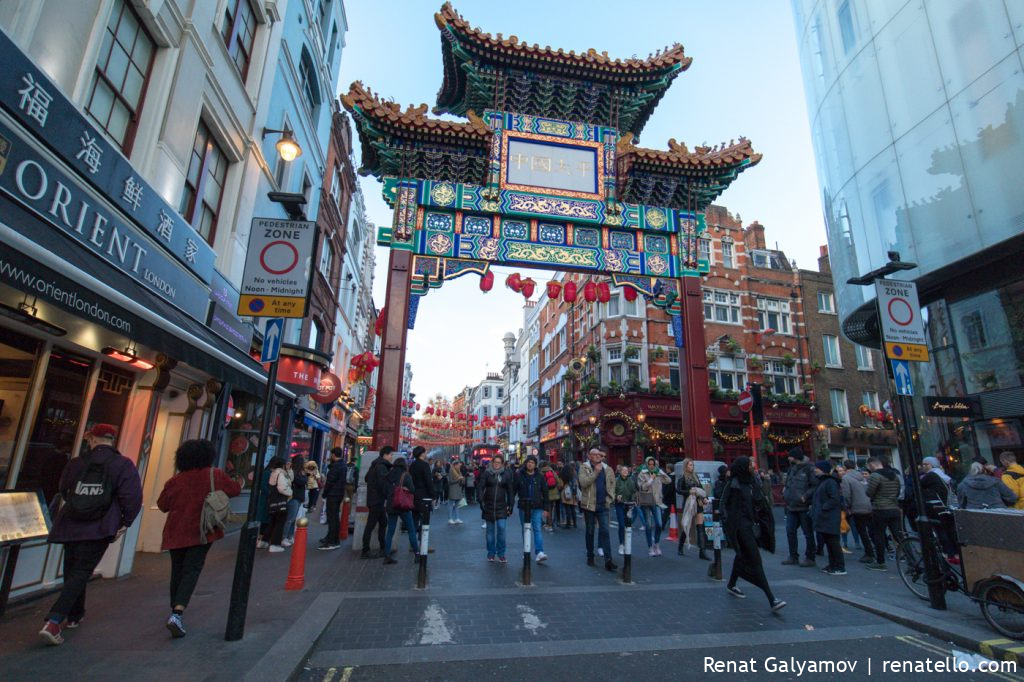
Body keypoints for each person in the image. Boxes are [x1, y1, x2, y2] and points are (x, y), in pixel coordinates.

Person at [38, 424, 143, 646]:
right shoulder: (122, 465)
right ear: (111, 441)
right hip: (100, 527)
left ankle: (75, 615)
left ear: (92, 439)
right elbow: (132, 497)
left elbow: (64, 488)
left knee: (73, 569)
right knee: (81, 571)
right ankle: (55, 620)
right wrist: (125, 522)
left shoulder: (76, 463)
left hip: (71, 524)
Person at [156, 439, 241, 638]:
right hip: (201, 530)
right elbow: (235, 489)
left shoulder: (175, 480)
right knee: (192, 569)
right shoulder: (214, 475)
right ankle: (177, 612)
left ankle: (175, 609)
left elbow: (162, 505)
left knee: (178, 570)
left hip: (175, 531)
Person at [719, 456, 786, 612]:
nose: (752, 466)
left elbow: (759, 501)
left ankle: (731, 584)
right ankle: (771, 598)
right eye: (750, 464)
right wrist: (727, 520)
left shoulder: (752, 482)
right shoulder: (733, 484)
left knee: (741, 555)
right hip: (740, 527)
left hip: (751, 525)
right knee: (755, 561)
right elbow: (723, 503)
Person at [578, 448, 617, 571]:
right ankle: (590, 555)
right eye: (594, 454)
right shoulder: (584, 468)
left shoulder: (607, 468)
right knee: (590, 531)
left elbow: (612, 483)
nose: (597, 456)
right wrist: (595, 472)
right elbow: (583, 483)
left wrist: (611, 497)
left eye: (599, 454)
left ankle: (608, 559)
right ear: (589, 456)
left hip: (603, 505)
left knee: (605, 531)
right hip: (589, 505)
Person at [865, 455, 903, 571]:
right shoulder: (894, 475)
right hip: (894, 508)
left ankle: (880, 562)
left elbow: (869, 493)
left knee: (879, 535)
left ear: (872, 464)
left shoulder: (875, 476)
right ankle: (911, 560)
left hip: (880, 509)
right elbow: (898, 492)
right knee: (899, 535)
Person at [781, 447, 817, 567]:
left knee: (808, 533)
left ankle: (810, 557)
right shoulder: (792, 469)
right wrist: (785, 491)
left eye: (790, 456)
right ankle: (793, 556)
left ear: (795, 457)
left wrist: (805, 496)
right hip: (791, 505)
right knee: (790, 531)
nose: (788, 458)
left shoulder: (809, 469)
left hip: (804, 506)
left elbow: (814, 485)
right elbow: (788, 483)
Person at [919, 456, 958, 559]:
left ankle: (947, 551)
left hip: (935, 506)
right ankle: (954, 552)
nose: (923, 466)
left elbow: (918, 485)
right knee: (949, 529)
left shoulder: (930, 475)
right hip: (946, 505)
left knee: (940, 529)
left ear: (932, 465)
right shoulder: (942, 474)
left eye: (926, 464)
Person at [810, 461, 845, 575]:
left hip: (830, 517)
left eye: (817, 468)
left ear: (822, 469)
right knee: (829, 543)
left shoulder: (830, 482)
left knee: (833, 542)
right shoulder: (823, 481)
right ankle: (832, 564)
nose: (815, 470)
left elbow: (834, 499)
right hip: (825, 517)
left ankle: (839, 566)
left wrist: (823, 508)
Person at [477, 454, 514, 562]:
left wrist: (510, 505)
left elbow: (510, 491)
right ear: (492, 463)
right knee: (490, 532)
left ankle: (501, 553)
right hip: (488, 506)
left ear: (502, 464)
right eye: (495, 462)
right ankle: (491, 552)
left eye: (499, 462)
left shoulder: (506, 474)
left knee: (502, 529)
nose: (496, 464)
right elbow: (480, 487)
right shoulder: (487, 473)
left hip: (501, 506)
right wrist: (480, 501)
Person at [514, 455, 550, 563]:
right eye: (528, 462)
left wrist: (546, 508)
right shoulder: (520, 475)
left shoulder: (540, 476)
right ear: (526, 463)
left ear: (535, 465)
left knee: (537, 529)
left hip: (537, 507)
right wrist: (509, 505)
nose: (530, 464)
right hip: (524, 507)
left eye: (532, 462)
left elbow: (545, 492)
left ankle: (539, 552)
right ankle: (526, 551)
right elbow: (514, 490)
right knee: (525, 530)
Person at [383, 457, 418, 563]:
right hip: (403, 505)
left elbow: (384, 490)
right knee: (411, 529)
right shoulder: (405, 475)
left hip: (391, 505)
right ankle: (417, 554)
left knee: (390, 531)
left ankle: (387, 555)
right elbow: (412, 489)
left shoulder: (388, 474)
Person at [839, 459, 875, 564]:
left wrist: (847, 507)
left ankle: (869, 553)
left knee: (862, 531)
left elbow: (846, 495)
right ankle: (875, 548)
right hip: (868, 505)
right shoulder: (861, 476)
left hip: (857, 507)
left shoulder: (846, 478)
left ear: (845, 468)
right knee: (871, 529)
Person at [361, 447, 393, 558]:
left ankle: (383, 547)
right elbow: (382, 484)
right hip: (377, 500)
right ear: (385, 455)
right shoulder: (381, 467)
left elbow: (366, 478)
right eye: (390, 454)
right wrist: (387, 493)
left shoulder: (374, 465)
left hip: (374, 499)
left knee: (383, 522)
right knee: (370, 525)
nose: (391, 457)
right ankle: (365, 550)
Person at [635, 455, 671, 557]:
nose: (651, 466)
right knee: (648, 525)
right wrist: (650, 480)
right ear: (647, 464)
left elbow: (668, 480)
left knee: (659, 524)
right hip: (646, 501)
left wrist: (661, 472)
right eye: (649, 464)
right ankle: (650, 547)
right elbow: (642, 487)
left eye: (653, 464)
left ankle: (657, 544)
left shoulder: (658, 473)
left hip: (657, 501)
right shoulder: (643, 473)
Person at [677, 458, 709, 560]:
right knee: (687, 526)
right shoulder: (682, 478)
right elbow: (678, 490)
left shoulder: (696, 477)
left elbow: (702, 489)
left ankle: (702, 551)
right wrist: (688, 492)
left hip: (698, 503)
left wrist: (705, 498)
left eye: (692, 465)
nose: (692, 467)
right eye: (690, 465)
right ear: (686, 466)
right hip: (688, 503)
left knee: (700, 527)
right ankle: (680, 546)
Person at [318, 449, 346, 550]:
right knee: (334, 517)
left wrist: (324, 494)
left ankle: (332, 541)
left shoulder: (336, 467)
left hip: (333, 494)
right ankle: (332, 538)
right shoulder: (343, 465)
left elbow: (330, 482)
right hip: (339, 493)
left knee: (332, 518)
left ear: (334, 455)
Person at [265, 457, 292, 552]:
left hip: (273, 501)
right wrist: (290, 492)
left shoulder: (273, 473)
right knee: (280, 523)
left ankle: (264, 541)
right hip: (280, 502)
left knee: (272, 522)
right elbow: (282, 488)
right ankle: (275, 544)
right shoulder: (281, 473)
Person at [409, 446, 434, 539]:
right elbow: (429, 481)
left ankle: (413, 543)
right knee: (425, 520)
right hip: (424, 496)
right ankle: (422, 542)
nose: (426, 453)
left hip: (414, 495)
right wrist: (433, 495)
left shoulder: (412, 465)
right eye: (425, 451)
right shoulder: (425, 465)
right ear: (422, 453)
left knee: (414, 518)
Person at [283, 455, 306, 547]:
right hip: (294, 497)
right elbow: (301, 481)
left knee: (292, 519)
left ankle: (289, 536)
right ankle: (284, 537)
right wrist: (304, 476)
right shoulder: (293, 472)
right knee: (290, 519)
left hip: (297, 497)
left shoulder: (298, 472)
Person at [613, 465, 636, 555]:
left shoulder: (631, 481)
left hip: (629, 505)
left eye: (627, 470)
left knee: (628, 526)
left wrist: (633, 498)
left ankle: (627, 544)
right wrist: (616, 497)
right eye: (624, 470)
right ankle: (621, 544)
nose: (626, 471)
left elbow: (634, 491)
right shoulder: (616, 481)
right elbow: (612, 491)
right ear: (620, 472)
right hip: (619, 505)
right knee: (621, 525)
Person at [539, 460, 560, 531]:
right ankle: (551, 523)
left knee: (548, 509)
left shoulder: (541, 472)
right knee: (552, 509)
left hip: (546, 493)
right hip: (554, 493)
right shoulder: (552, 471)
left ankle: (549, 524)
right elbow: (558, 481)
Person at [559, 459, 579, 528]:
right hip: (573, 491)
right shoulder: (574, 473)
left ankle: (568, 523)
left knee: (567, 507)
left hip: (566, 491)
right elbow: (576, 482)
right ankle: (575, 523)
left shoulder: (563, 474)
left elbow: (561, 484)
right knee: (573, 508)